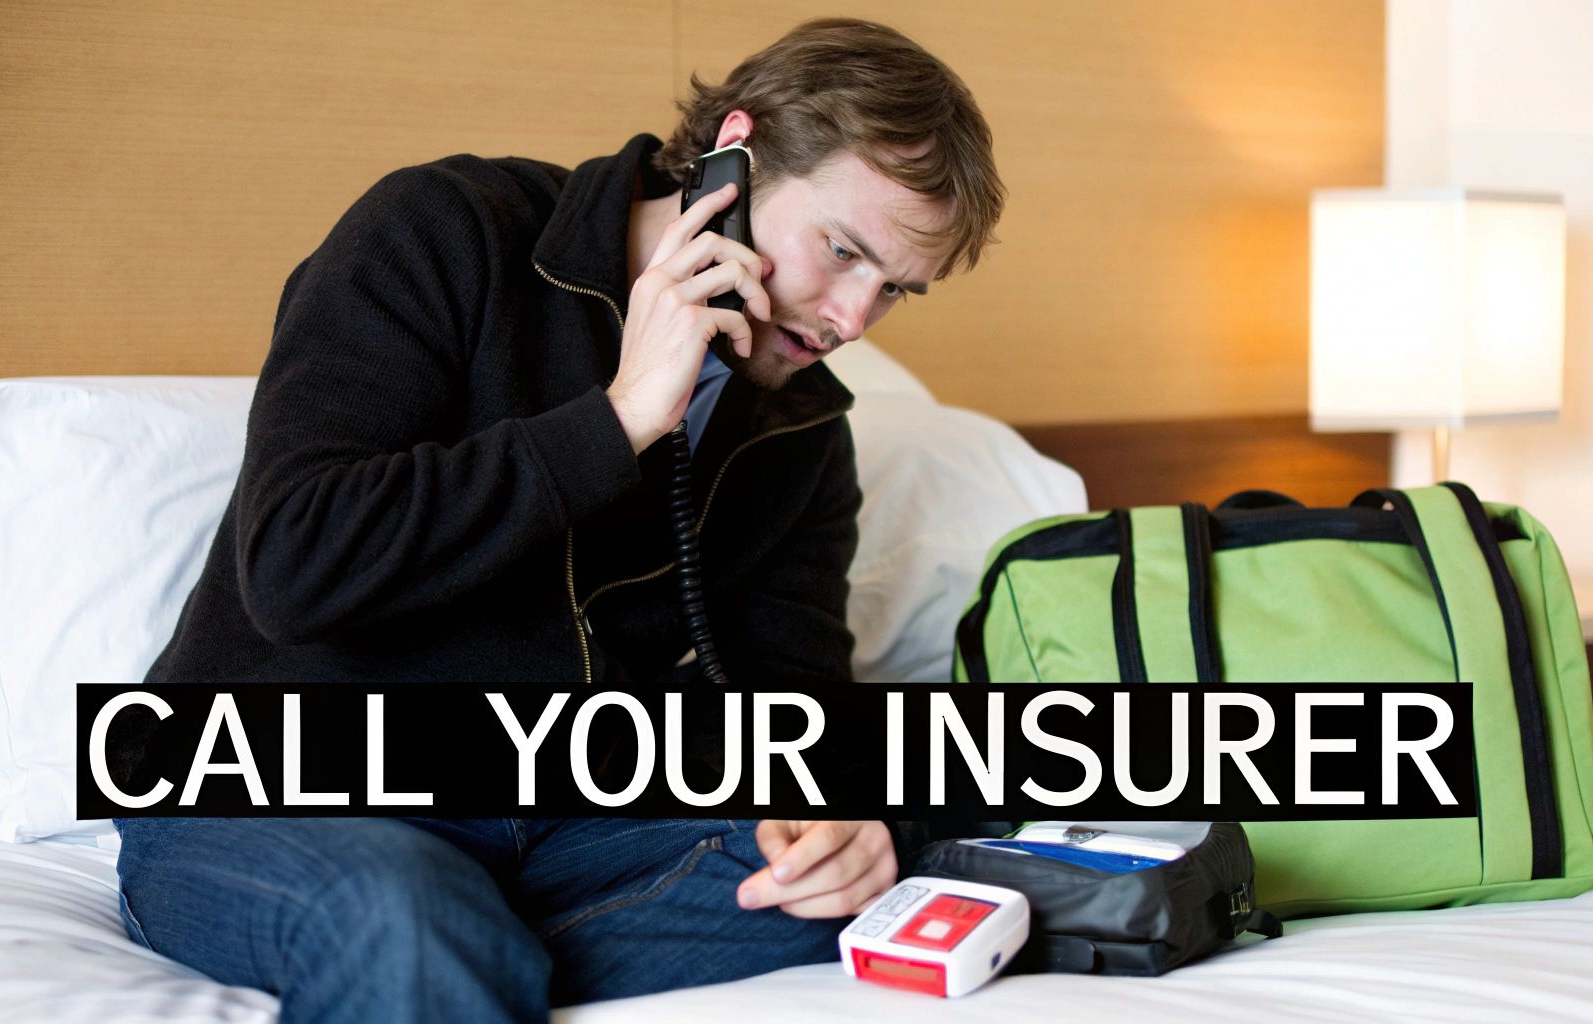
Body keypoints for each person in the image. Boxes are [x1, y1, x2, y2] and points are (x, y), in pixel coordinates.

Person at [112, 17, 1005, 1020]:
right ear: (735, 157)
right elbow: (294, 561)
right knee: (406, 912)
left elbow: (783, 711)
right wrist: (618, 421)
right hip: (278, 787)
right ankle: (452, 945)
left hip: (568, 824)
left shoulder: (798, 427)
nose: (849, 319)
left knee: (851, 896)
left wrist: (859, 822)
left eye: (892, 289)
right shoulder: (447, 230)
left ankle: (476, 954)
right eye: (842, 252)